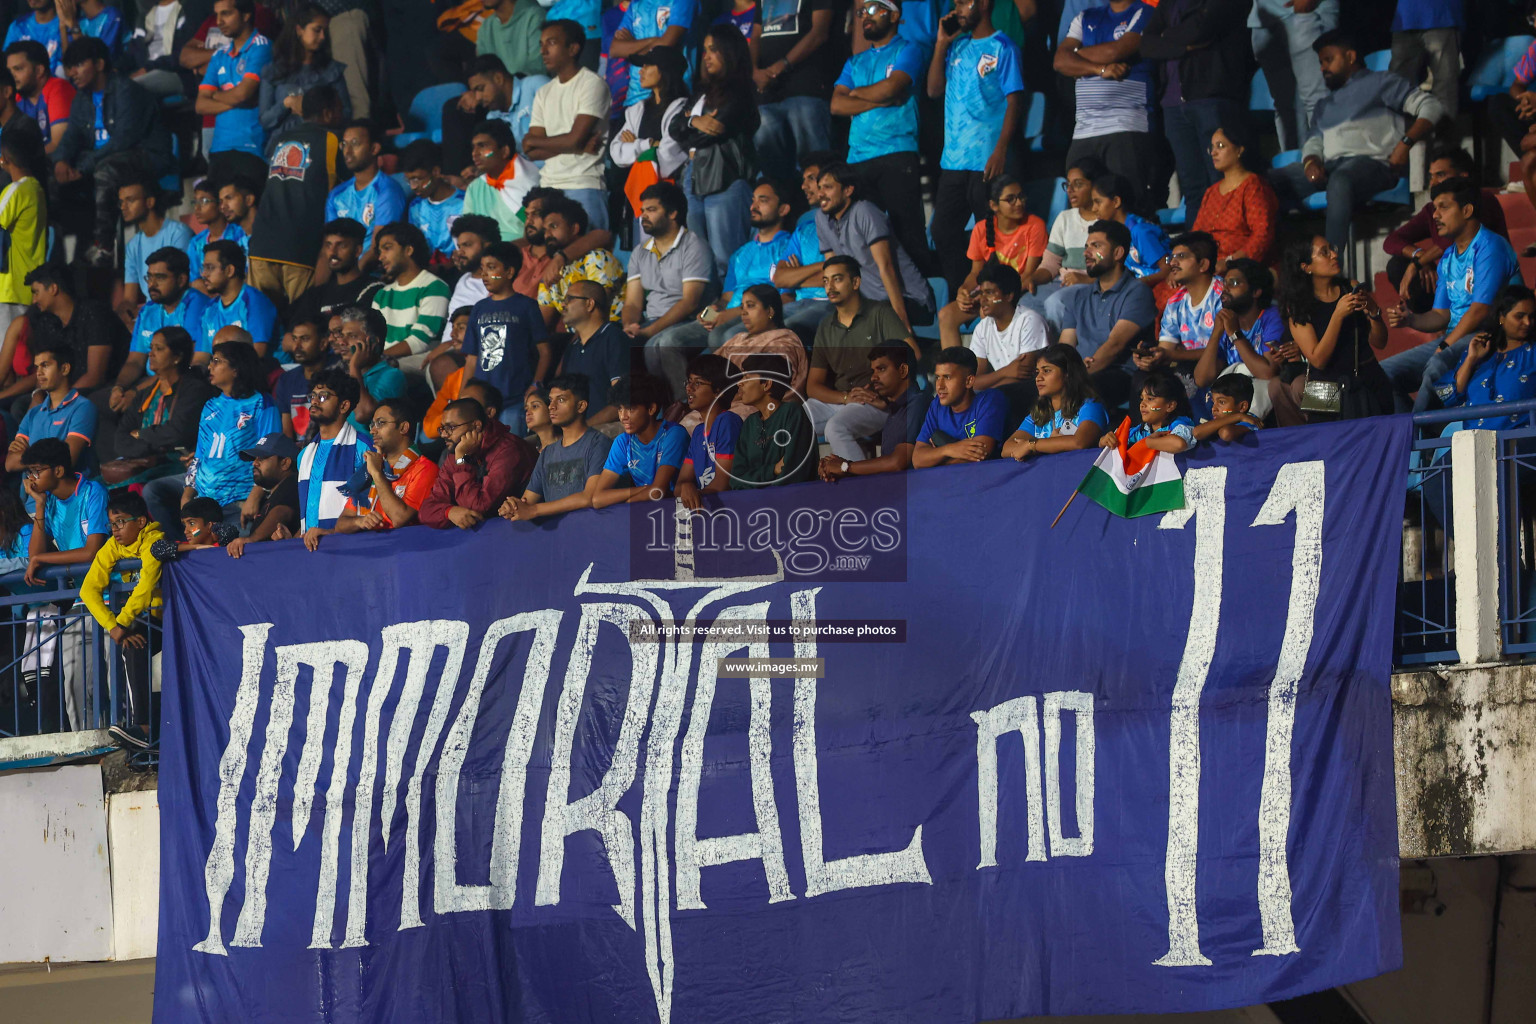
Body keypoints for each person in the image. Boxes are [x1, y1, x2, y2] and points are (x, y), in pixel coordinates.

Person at [1267, 28, 1442, 257]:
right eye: (1320, 62)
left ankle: (1332, 268)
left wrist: (1404, 144)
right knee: (1265, 182)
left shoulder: (1382, 82)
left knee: (1340, 180)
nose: (1322, 68)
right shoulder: (1324, 104)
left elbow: (1431, 107)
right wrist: (1311, 162)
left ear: (1350, 57)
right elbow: (1313, 142)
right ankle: (1280, 265)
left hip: (1374, 165)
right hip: (1330, 167)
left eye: (1328, 60)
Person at [1383, 178, 1523, 414]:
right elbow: (1441, 314)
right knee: (1384, 374)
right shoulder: (1448, 257)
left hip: (1489, 335)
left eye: (1443, 207)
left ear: (1467, 210)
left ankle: (1418, 437)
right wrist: (1411, 320)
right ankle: (1413, 431)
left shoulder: (1490, 246)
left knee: (1436, 366)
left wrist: (1445, 345)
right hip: (1456, 338)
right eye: (1435, 208)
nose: (1435, 215)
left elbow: (1479, 310)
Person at [926, 0, 1023, 296]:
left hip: (986, 157)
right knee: (942, 231)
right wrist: (942, 43)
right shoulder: (956, 46)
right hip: (954, 159)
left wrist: (1001, 149)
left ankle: (995, 293)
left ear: (983, 3)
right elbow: (932, 90)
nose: (957, 9)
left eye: (963, 2)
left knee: (989, 232)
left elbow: (1014, 100)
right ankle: (964, 292)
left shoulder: (1002, 46)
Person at [52, 35, 174, 268]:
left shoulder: (127, 90)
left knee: (105, 171)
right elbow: (71, 136)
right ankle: (58, 258)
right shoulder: (82, 98)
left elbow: (124, 140)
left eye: (78, 65)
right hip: (101, 160)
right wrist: (61, 161)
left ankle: (104, 245)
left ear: (99, 64)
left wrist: (82, 167)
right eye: (69, 68)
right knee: (52, 176)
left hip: (145, 156)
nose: (72, 74)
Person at [832, 2, 929, 276]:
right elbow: (836, 105)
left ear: (895, 15)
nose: (866, 16)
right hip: (858, 158)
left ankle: (922, 303)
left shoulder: (908, 50)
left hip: (897, 152)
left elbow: (893, 87)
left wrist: (857, 94)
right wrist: (880, 97)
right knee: (862, 239)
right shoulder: (855, 61)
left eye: (874, 8)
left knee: (907, 233)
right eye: (862, 11)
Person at [1137, 0, 1253, 230]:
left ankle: (1229, 246)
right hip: (1173, 106)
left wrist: (1165, 36)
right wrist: (1182, 46)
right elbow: (1146, 45)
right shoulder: (1168, 4)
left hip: (1212, 99)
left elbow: (1199, 29)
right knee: (1192, 188)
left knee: (1223, 181)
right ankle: (1197, 252)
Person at [143, 340, 278, 536]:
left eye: (216, 361)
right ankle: (178, 541)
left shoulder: (261, 402)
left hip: (239, 499)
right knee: (153, 490)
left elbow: (270, 453)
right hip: (206, 498)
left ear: (236, 369)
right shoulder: (210, 406)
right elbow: (199, 456)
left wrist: (256, 495)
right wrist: (188, 491)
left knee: (235, 554)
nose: (209, 366)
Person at [19, 436, 108, 732]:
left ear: (58, 470)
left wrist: (43, 558)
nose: (32, 478)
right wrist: (40, 506)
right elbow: (35, 556)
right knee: (74, 683)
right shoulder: (51, 503)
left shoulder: (93, 491)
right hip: (80, 601)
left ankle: (122, 740)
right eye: (29, 472)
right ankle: (87, 742)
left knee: (110, 680)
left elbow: (91, 551)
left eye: (37, 471)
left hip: (111, 597)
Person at [777, 161, 932, 331]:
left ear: (848, 190)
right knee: (799, 327)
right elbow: (833, 271)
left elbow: (886, 267)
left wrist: (901, 320)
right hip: (866, 303)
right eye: (819, 187)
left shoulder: (865, 211)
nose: (820, 194)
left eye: (828, 187)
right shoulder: (822, 218)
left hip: (907, 299)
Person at [804, 255, 918, 461]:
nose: (830, 286)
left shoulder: (879, 313)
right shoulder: (826, 326)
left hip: (877, 400)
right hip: (842, 399)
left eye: (837, 279)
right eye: (826, 281)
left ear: (855, 282)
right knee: (794, 419)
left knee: (835, 427)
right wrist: (845, 397)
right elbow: (813, 386)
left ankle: (861, 484)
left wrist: (883, 391)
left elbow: (913, 354)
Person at [1268, 235, 1390, 427]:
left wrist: (1374, 312)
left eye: (1331, 249)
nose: (1334, 255)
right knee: (1329, 444)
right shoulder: (1297, 306)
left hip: (1366, 378)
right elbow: (1318, 359)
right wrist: (1337, 315)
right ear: (1306, 267)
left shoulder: (1350, 287)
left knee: (1378, 441)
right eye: (1324, 253)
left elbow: (1380, 342)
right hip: (1321, 387)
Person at [669, 24, 759, 279]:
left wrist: (689, 125)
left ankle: (733, 312)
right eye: (705, 50)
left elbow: (714, 132)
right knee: (701, 259)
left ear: (729, 53)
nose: (705, 56)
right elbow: (674, 128)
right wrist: (692, 121)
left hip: (725, 178)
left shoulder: (740, 93)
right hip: (693, 177)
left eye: (713, 50)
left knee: (726, 257)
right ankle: (707, 314)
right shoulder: (700, 93)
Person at [248, 84, 345, 304]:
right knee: (301, 323)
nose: (343, 114)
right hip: (300, 247)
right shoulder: (332, 140)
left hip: (262, 245)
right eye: (340, 108)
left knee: (262, 322)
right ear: (328, 112)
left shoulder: (279, 140)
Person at [80, 488, 162, 749]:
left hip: (173, 619)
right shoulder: (113, 546)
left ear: (140, 522)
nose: (115, 530)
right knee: (132, 646)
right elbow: (87, 589)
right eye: (112, 524)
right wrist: (114, 626)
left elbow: (146, 586)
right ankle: (143, 731)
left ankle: (146, 729)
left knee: (133, 643)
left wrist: (122, 623)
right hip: (145, 622)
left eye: (121, 522)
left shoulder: (154, 541)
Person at [1054, 0, 1155, 205]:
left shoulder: (1144, 11)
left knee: (1126, 205)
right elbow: (1059, 62)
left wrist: (1076, 57)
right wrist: (1100, 70)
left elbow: (1116, 51)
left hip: (1126, 125)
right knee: (1083, 210)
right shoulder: (1084, 17)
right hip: (1084, 130)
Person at [1384, 149, 1509, 311]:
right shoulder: (1431, 210)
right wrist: (1419, 256)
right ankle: (1436, 323)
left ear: (1463, 176)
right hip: (1453, 282)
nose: (1433, 182)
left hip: (1486, 284)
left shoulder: (1481, 199)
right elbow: (1391, 241)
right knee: (1397, 264)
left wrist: (1417, 264)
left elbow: (1452, 241)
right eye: (1431, 176)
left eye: (1440, 175)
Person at [678, 179, 798, 349]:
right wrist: (712, 311)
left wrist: (736, 313)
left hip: (757, 317)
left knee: (720, 338)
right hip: (726, 316)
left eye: (762, 200)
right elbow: (726, 298)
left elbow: (787, 298)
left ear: (783, 209)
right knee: (664, 344)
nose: (753, 206)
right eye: (753, 200)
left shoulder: (789, 247)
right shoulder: (740, 253)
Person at [303, 396, 437, 542]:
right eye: (372, 424)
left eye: (381, 423)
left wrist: (377, 474)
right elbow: (341, 524)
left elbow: (399, 518)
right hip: (372, 556)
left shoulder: (425, 469)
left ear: (403, 428)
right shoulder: (369, 470)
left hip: (404, 554)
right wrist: (360, 521)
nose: (373, 430)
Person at [1058, 219, 1159, 411]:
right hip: (1079, 372)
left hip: (1118, 374)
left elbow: (1114, 346)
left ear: (1118, 253)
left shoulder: (1137, 292)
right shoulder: (1079, 295)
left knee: (1081, 391)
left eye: (1096, 246)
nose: (1086, 253)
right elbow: (1065, 346)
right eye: (1086, 246)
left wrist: (1075, 376)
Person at [624, 181, 711, 393]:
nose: (643, 215)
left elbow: (690, 302)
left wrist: (647, 332)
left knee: (659, 345)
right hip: (650, 321)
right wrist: (629, 325)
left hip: (689, 320)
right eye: (642, 210)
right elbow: (633, 302)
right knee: (615, 343)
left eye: (651, 210)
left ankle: (683, 406)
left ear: (672, 213)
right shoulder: (640, 251)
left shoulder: (694, 245)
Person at [523, 20, 610, 231]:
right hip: (548, 188)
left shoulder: (592, 83)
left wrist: (535, 139)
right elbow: (531, 152)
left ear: (573, 48)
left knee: (590, 260)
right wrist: (576, 145)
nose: (543, 50)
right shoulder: (544, 92)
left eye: (551, 43)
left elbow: (571, 138)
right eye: (541, 44)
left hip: (583, 183)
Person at [938, 175, 1044, 349]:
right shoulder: (981, 229)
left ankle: (990, 370)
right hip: (987, 292)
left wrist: (990, 296)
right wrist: (964, 290)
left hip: (1016, 293)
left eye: (1020, 197)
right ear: (994, 205)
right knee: (946, 315)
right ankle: (955, 371)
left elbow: (1028, 274)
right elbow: (975, 273)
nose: (1019, 203)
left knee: (988, 311)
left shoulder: (1034, 226)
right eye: (1010, 199)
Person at [462, 240, 552, 432]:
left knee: (513, 449)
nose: (485, 274)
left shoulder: (526, 306)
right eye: (482, 268)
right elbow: (471, 358)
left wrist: (536, 384)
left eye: (492, 268)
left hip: (515, 397)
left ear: (510, 272)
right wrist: (464, 395)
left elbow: (544, 351)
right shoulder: (479, 309)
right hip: (481, 401)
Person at [104, 325, 216, 470]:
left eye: (159, 349)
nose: (151, 354)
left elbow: (177, 433)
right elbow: (120, 438)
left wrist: (140, 434)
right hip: (143, 462)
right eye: (151, 348)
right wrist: (156, 446)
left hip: (177, 464)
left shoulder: (194, 390)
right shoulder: (145, 394)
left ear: (177, 357)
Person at [499, 374, 609, 520]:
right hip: (557, 536)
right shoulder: (548, 453)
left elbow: (590, 496)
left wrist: (535, 510)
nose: (552, 406)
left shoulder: (598, 443)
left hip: (590, 529)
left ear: (581, 406)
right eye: (550, 400)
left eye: (561, 400)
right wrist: (512, 507)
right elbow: (528, 500)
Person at [817, 342, 930, 481]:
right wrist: (834, 467)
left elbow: (897, 463)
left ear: (903, 371)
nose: (873, 377)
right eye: (873, 371)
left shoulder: (919, 402)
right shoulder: (894, 409)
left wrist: (846, 467)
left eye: (881, 369)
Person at [111, 248, 210, 406]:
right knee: (100, 404)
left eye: (160, 277)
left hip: (180, 384)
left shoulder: (196, 304)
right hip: (150, 382)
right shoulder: (148, 310)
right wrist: (119, 388)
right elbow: (135, 361)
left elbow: (185, 365)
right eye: (149, 277)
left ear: (181, 280)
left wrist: (136, 393)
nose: (152, 284)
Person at [420, 395, 537, 528]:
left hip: (523, 533)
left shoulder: (508, 451)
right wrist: (449, 512)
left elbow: (479, 507)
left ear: (476, 426)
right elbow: (426, 510)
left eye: (451, 428)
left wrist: (461, 461)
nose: (444, 435)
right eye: (442, 428)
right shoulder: (456, 453)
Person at [751, 0, 834, 184]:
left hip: (805, 87)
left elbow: (819, 32)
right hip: (767, 92)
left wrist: (781, 66)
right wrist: (754, 70)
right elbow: (755, 35)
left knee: (815, 166)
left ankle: (817, 213)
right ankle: (783, 210)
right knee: (771, 170)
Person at [1191, 258, 1283, 421]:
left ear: (1256, 291)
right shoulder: (1226, 321)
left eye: (1233, 283)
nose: (1225, 289)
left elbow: (1267, 373)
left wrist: (1235, 334)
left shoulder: (1271, 318)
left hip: (1261, 397)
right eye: (1225, 283)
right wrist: (1217, 333)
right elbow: (1202, 378)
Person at [607, 45, 688, 226]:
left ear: (664, 70)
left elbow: (667, 156)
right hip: (640, 199)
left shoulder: (683, 108)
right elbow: (616, 152)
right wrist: (648, 144)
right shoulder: (637, 109)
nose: (640, 71)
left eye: (647, 66)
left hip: (671, 200)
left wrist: (634, 145)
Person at [1436, 287, 1536, 432]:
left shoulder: (1532, 353)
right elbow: (1449, 397)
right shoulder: (1481, 348)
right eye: (1519, 316)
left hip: (1518, 446)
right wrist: (1471, 359)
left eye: (1532, 316)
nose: (1527, 322)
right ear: (1501, 317)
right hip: (1472, 445)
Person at [194, 0, 272, 180]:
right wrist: (235, 100)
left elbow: (243, 94)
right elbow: (200, 105)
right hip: (219, 148)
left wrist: (215, 95)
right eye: (217, 15)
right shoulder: (219, 54)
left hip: (251, 147)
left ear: (246, 15)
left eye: (226, 14)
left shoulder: (262, 46)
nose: (219, 21)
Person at [1022, 156, 1105, 324]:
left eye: (1078, 184)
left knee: (1056, 303)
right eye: (1068, 184)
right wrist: (1033, 278)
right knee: (1024, 304)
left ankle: (1061, 350)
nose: (1070, 190)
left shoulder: (1106, 220)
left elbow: (1115, 268)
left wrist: (1086, 279)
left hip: (1093, 284)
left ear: (1095, 186)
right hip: (1062, 282)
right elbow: (1050, 264)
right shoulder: (1065, 218)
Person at [1248, 0, 1338, 153]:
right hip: (1264, 19)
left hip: (1308, 12)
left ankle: (1322, 164)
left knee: (1317, 100)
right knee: (1285, 107)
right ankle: (1294, 167)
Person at [442, 54, 548, 179]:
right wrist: (478, 170)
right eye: (474, 92)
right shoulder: (492, 117)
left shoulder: (535, 86)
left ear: (498, 78)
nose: (478, 98)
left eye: (480, 89)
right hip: (525, 178)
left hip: (558, 168)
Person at [1191, 123, 1280, 270]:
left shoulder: (1253, 186)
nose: (1213, 152)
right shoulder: (1211, 192)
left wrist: (1229, 262)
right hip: (1207, 267)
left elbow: (1262, 236)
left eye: (1220, 146)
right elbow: (1195, 236)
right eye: (1212, 147)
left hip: (1241, 267)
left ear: (1240, 150)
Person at [294, 368, 372, 531]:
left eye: (323, 396)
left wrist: (329, 534)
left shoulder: (364, 447)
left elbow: (369, 506)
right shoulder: (304, 455)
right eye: (313, 396)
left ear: (344, 406)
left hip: (350, 547)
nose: (314, 401)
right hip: (312, 549)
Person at [1000, 343, 1110, 460]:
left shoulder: (1090, 406)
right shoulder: (1038, 414)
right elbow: (1007, 449)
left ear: (1068, 373)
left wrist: (1031, 445)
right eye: (1037, 372)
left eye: (1046, 371)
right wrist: (1045, 445)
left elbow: (1079, 442)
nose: (1038, 378)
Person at [714, 283, 808, 419]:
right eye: (742, 307)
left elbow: (774, 389)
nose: (743, 312)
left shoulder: (783, 342)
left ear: (770, 311)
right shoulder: (738, 338)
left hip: (756, 409)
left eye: (750, 305)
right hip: (724, 404)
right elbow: (710, 369)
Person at [26, 262, 124, 391]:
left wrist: (62, 402)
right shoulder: (49, 322)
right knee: (21, 405)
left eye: (36, 292)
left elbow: (95, 376)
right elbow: (43, 372)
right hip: (65, 392)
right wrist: (39, 395)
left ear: (53, 289)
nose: (34, 300)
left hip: (104, 390)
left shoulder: (94, 314)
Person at [592, 373, 686, 506]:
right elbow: (597, 499)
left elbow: (657, 492)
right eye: (620, 409)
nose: (623, 416)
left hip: (677, 510)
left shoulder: (673, 434)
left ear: (651, 409)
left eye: (630, 408)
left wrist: (629, 502)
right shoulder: (623, 442)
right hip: (644, 509)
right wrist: (643, 490)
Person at [257, 3, 349, 139]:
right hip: (284, 145)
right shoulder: (274, 70)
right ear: (299, 30)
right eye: (317, 30)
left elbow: (346, 113)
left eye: (325, 31)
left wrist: (314, 110)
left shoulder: (331, 70)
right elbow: (265, 121)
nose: (323, 36)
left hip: (319, 142)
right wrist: (286, 104)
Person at [1144, 231, 1224, 389]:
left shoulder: (1223, 294)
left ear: (1203, 265)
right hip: (1186, 364)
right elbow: (1166, 349)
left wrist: (1173, 355)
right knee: (1144, 378)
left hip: (1221, 366)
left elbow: (1222, 351)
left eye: (1181, 256)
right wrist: (1150, 357)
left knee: (1182, 372)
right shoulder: (1175, 302)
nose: (1172, 263)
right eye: (1171, 258)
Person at [369, 221, 450, 375]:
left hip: (417, 362)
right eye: (379, 251)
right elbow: (373, 338)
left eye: (387, 248)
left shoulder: (434, 287)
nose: (381, 257)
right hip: (383, 361)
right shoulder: (382, 294)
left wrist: (377, 360)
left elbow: (419, 342)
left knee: (382, 373)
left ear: (409, 250)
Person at [322, 119, 407, 264]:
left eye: (355, 144)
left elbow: (378, 248)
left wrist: (351, 282)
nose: (347, 151)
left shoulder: (387, 191)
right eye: (344, 144)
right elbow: (329, 247)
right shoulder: (337, 194)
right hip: (342, 271)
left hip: (372, 274)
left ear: (374, 149)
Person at [7, 339, 95, 472]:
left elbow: (67, 459)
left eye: (45, 365)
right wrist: (48, 458)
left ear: (65, 369)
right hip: (32, 492)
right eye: (37, 367)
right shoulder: (33, 413)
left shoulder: (82, 407)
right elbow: (10, 464)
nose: (39, 373)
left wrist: (28, 453)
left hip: (70, 492)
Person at [911, 346, 1007, 467]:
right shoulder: (937, 405)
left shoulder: (989, 400)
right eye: (937, 377)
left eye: (947, 377)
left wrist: (936, 458)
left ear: (969, 381)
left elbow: (979, 456)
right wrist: (950, 449)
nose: (939, 386)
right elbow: (918, 460)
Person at [966, 260, 1048, 402]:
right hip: (1002, 396)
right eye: (981, 293)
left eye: (989, 293)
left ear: (1009, 295)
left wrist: (986, 390)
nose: (982, 299)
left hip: (1032, 399)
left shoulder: (1029, 320)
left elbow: (1022, 377)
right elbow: (972, 381)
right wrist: (1005, 372)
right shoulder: (982, 327)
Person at [536, 197, 624, 327]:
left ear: (574, 229)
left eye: (553, 226)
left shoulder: (596, 258)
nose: (547, 235)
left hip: (610, 333)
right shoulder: (552, 271)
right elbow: (541, 326)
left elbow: (595, 316)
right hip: (578, 339)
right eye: (544, 230)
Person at [730, 353, 814, 486]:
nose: (740, 383)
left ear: (767, 384)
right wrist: (772, 470)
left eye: (747, 377)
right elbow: (736, 480)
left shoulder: (792, 413)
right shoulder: (749, 424)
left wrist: (755, 480)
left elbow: (792, 472)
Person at [553, 278, 626, 426]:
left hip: (608, 431)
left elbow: (622, 401)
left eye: (570, 299)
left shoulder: (613, 338)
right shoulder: (573, 347)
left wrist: (583, 431)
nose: (562, 304)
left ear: (589, 304)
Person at [117, 178, 194, 317]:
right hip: (152, 314)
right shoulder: (133, 246)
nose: (123, 207)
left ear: (149, 202)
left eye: (130, 200)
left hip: (178, 309)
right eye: (121, 202)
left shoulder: (178, 233)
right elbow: (129, 298)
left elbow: (182, 286)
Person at [0, 123, 49, 340]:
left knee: (6, 358)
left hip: (11, 288)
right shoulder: (36, 188)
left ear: (4, 159)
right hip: (26, 287)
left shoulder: (16, 190)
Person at [289, 216, 378, 327]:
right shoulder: (315, 294)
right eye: (328, 245)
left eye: (341, 245)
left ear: (357, 250)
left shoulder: (373, 289)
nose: (332, 252)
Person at [462, 117, 540, 244]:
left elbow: (537, 236)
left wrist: (501, 252)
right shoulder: (475, 188)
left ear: (504, 151)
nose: (474, 153)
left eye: (482, 146)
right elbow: (468, 232)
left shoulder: (529, 182)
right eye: (474, 147)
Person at [676, 352, 740, 506]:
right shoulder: (698, 432)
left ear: (718, 391)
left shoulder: (728, 422)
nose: (689, 388)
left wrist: (694, 494)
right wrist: (687, 486)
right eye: (689, 382)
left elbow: (723, 484)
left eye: (697, 383)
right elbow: (680, 485)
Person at [225, 430, 300, 556]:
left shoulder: (292, 482)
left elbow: (282, 512)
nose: (255, 463)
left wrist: (252, 540)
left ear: (285, 463)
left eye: (263, 458)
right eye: (255, 458)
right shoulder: (273, 493)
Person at [198, 239, 280, 354]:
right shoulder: (208, 310)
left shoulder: (255, 303)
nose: (203, 274)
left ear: (230, 270)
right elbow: (202, 357)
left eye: (210, 268)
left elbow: (257, 355)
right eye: (204, 268)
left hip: (269, 370)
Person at [609, 0, 694, 109]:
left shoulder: (682, 2)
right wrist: (654, 41)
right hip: (635, 98)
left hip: (670, 95)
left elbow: (667, 45)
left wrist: (632, 43)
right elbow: (615, 49)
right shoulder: (635, 4)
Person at [1389, 0, 1459, 126]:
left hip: (1441, 15)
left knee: (1445, 83)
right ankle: (1402, 136)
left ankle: (1444, 140)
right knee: (1399, 86)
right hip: (1407, 17)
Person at [271, 314, 336, 436]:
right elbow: (287, 432)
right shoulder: (286, 380)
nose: (296, 346)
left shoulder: (337, 376)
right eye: (295, 339)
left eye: (305, 339)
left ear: (323, 343)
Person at [401, 140, 464, 264]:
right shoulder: (415, 207)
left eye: (417, 179)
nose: (413, 186)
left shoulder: (464, 203)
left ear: (435, 172)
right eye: (409, 181)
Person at [6, 39, 74, 154]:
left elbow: (58, 145)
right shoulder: (17, 97)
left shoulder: (58, 88)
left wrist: (21, 162)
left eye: (18, 69)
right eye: (10, 71)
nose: (12, 76)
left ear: (39, 70)